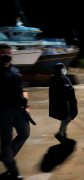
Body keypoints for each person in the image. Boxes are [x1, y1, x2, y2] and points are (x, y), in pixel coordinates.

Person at [0, 43, 30, 179]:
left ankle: (6, 157)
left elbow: (22, 88)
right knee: (6, 141)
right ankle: (14, 171)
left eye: (9, 52)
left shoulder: (15, 70)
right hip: (3, 111)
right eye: (3, 53)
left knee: (24, 133)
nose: (7, 55)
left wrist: (26, 104)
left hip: (19, 109)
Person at [49, 63, 78, 143]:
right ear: (59, 69)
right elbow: (61, 91)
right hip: (64, 102)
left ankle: (63, 133)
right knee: (67, 118)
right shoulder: (56, 78)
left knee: (65, 118)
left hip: (67, 102)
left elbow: (69, 88)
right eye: (63, 68)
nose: (65, 69)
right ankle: (60, 134)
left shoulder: (63, 77)